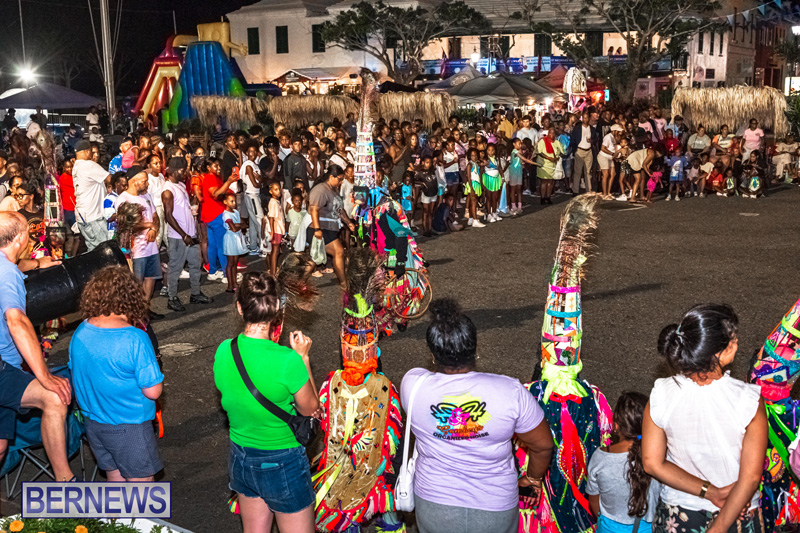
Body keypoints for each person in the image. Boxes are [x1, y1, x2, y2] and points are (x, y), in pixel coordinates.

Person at [401, 299, 552, 533]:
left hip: (435, 505)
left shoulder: (412, 386)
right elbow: (542, 446)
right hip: (495, 508)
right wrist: (532, 479)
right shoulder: (510, 392)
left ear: (433, 354)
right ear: (475, 349)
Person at [643, 304, 768, 533]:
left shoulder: (661, 393)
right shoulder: (749, 400)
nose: (737, 342)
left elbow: (652, 462)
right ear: (718, 353)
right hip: (736, 516)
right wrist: (718, 528)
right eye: (733, 338)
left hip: (678, 515)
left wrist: (710, 492)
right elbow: (750, 478)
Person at [214, 271, 319, 533]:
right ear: (276, 310)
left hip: (241, 455)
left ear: (239, 307)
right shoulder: (287, 360)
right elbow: (311, 410)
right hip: (283, 460)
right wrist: (303, 359)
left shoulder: (225, 350)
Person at [69, 266, 164, 482]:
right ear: (132, 296)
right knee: (141, 490)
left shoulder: (81, 330)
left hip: (94, 424)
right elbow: (153, 391)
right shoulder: (134, 338)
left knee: (116, 482)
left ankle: (118, 518)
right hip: (129, 426)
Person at [0, 211, 76, 481]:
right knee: (54, 397)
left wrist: (37, 264)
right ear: (21, 238)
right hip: (2, 367)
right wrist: (45, 376)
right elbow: (16, 320)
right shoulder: (7, 273)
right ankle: (65, 482)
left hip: (6, 365)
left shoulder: (7, 266)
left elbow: (15, 267)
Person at [587, 392, 660, 533]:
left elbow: (593, 501)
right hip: (648, 528)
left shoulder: (600, 457)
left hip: (609, 528)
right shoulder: (658, 457)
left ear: (615, 425)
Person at [161, 157, 212, 313]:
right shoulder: (168, 190)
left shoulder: (181, 185)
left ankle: (195, 293)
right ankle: (172, 298)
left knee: (195, 264)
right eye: (183, 170)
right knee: (175, 268)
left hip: (190, 234)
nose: (185, 173)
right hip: (179, 237)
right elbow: (168, 216)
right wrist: (184, 235)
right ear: (175, 171)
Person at [117, 166, 163, 320]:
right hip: (136, 248)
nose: (147, 184)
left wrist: (153, 229)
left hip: (151, 246)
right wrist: (149, 226)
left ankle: (144, 310)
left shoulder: (147, 196)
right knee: (136, 281)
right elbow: (126, 225)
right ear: (135, 182)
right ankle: (134, 313)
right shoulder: (123, 199)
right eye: (144, 181)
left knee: (151, 277)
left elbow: (155, 217)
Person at [307, 166, 353, 286]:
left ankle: (296, 283)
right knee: (338, 251)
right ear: (331, 177)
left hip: (329, 229)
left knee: (314, 259)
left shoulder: (334, 190)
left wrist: (349, 222)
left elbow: (340, 210)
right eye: (339, 179)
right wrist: (317, 229)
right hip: (320, 228)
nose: (341, 181)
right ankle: (344, 283)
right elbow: (314, 209)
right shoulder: (321, 190)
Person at [201, 157, 239, 282]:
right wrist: (228, 181)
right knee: (223, 245)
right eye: (215, 166)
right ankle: (226, 274)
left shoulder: (212, 178)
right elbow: (215, 194)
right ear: (208, 167)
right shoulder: (210, 178)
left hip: (209, 215)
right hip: (216, 214)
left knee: (213, 244)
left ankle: (213, 271)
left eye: (219, 166)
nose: (218, 168)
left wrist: (228, 188)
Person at [73, 140, 111, 251]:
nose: (93, 155)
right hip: (93, 216)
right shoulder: (89, 165)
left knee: (93, 249)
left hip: (82, 217)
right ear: (86, 151)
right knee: (104, 249)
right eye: (91, 152)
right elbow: (110, 179)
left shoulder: (76, 166)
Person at [240, 140, 264, 256]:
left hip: (254, 194)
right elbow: (256, 184)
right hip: (252, 195)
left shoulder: (254, 164)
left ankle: (253, 246)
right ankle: (263, 246)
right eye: (250, 151)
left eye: (254, 151)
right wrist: (260, 182)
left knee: (253, 222)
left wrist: (260, 180)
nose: (252, 153)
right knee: (260, 220)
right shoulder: (248, 165)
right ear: (246, 153)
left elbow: (260, 180)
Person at [569, 112, 599, 194]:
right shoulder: (577, 128)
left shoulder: (592, 129)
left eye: (587, 118)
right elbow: (573, 139)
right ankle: (575, 190)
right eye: (584, 118)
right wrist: (574, 150)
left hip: (588, 150)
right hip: (580, 150)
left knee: (588, 172)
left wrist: (592, 141)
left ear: (589, 119)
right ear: (582, 118)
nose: (586, 120)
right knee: (577, 171)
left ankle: (588, 190)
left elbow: (596, 139)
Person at [222, 193, 247, 292]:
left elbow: (243, 224)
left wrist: (238, 225)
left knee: (235, 262)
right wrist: (239, 225)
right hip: (230, 239)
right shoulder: (226, 214)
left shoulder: (236, 212)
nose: (234, 203)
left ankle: (234, 282)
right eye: (231, 201)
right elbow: (233, 228)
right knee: (230, 263)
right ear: (225, 202)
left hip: (237, 239)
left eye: (234, 201)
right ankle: (230, 284)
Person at [536, 129, 564, 205]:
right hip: (544, 164)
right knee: (544, 181)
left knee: (551, 182)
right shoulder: (542, 141)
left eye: (553, 133)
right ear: (548, 134)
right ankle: (542, 197)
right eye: (550, 133)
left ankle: (548, 197)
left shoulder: (557, 142)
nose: (552, 135)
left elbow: (562, 151)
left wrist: (557, 157)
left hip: (553, 165)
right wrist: (549, 158)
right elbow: (539, 152)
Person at [145, 154, 166, 247]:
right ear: (149, 166)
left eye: (159, 163)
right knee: (159, 232)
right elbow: (148, 197)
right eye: (155, 163)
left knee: (166, 232)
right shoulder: (149, 179)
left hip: (164, 207)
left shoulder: (161, 176)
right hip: (156, 207)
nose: (158, 165)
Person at [416, 156, 439, 236]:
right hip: (426, 194)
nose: (428, 164)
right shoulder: (420, 172)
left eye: (430, 162)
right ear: (423, 162)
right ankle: (425, 230)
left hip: (434, 193)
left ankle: (430, 229)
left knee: (431, 212)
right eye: (427, 162)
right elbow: (414, 180)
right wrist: (422, 184)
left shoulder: (432, 171)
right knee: (425, 211)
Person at [266, 181, 285, 275]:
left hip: (278, 229)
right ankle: (273, 272)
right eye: (275, 190)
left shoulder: (276, 201)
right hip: (276, 229)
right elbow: (271, 218)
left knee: (275, 251)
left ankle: (273, 269)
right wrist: (272, 232)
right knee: (275, 251)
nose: (278, 191)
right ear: (270, 191)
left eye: (279, 189)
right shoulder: (273, 202)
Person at [103, 172, 126, 239]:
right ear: (116, 184)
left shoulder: (126, 196)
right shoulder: (109, 199)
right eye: (123, 185)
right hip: (114, 233)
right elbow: (109, 217)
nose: (126, 188)